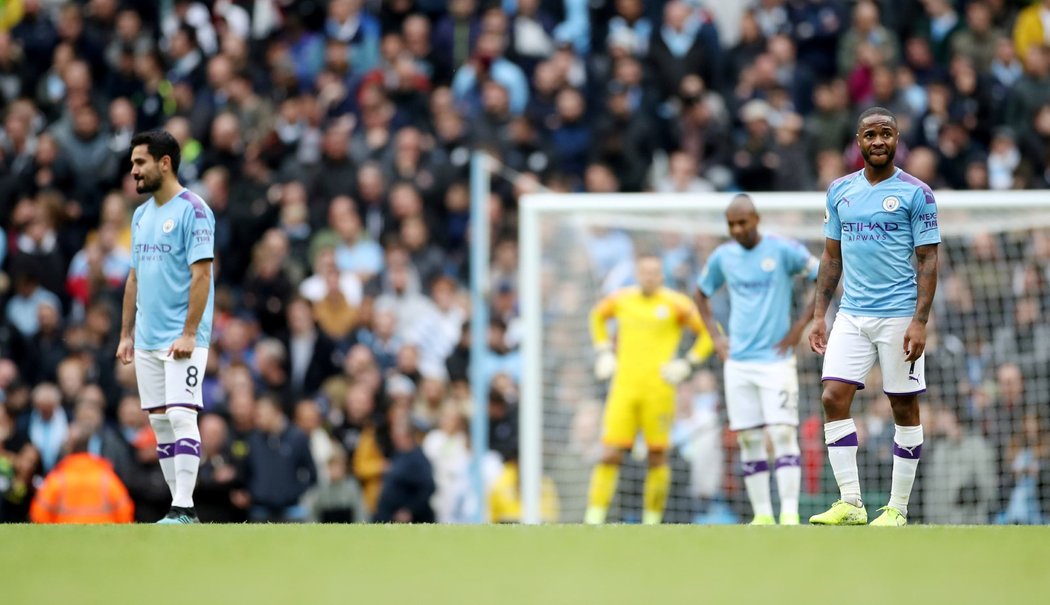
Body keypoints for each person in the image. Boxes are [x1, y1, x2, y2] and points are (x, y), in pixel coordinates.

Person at [809, 107, 940, 526]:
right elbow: (831, 258)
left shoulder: (917, 193)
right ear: (858, 141)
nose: (878, 141)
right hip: (852, 314)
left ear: (897, 139)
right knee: (832, 396)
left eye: (886, 134)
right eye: (870, 135)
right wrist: (818, 315)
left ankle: (898, 508)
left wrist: (919, 321)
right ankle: (851, 502)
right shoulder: (839, 191)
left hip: (899, 316)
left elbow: (929, 259)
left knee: (903, 405)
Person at [695, 194, 819, 525]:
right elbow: (701, 294)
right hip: (738, 362)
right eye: (731, 224)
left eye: (742, 222)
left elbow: (823, 277)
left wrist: (800, 327)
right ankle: (763, 515)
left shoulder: (783, 250)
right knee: (749, 437)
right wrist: (716, 337)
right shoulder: (723, 257)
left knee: (781, 433)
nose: (737, 229)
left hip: (776, 360)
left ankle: (790, 513)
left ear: (756, 220)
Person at [115, 130, 216, 524]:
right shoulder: (141, 215)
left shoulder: (194, 209)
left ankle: (184, 507)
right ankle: (179, 510)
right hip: (146, 339)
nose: (133, 171)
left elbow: (202, 275)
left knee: (180, 415)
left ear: (164, 163)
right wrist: (126, 334)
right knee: (159, 422)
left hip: (182, 337)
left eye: (139, 163)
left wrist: (189, 332)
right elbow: (134, 278)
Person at [584, 254, 714, 525]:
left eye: (654, 272)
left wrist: (687, 363)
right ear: (637, 273)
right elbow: (596, 317)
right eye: (644, 272)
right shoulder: (621, 300)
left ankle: (652, 521)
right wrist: (603, 351)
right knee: (610, 453)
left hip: (660, 392)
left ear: (661, 276)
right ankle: (593, 518)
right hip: (624, 389)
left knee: (657, 456)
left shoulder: (676, 304)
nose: (649, 277)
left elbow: (709, 332)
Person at [29, 424, 135, 524]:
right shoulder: (107, 479)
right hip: (102, 541)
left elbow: (38, 516)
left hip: (65, 541)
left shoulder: (57, 480)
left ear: (69, 447)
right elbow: (125, 514)